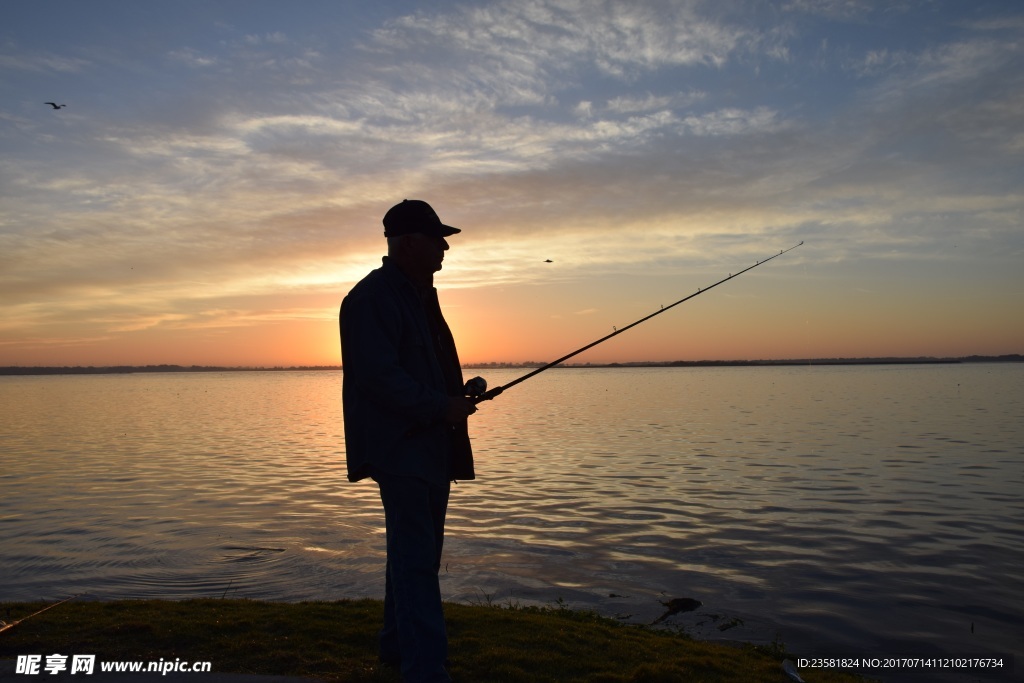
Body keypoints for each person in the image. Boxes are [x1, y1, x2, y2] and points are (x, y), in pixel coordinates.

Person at [339, 199, 477, 683]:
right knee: (417, 560)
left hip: (429, 447)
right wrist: (442, 407)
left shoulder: (418, 296)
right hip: (402, 449)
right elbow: (379, 377)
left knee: (411, 554)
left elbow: (414, 374)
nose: (444, 247)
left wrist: (453, 399)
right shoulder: (374, 299)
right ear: (410, 242)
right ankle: (425, 670)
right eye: (437, 238)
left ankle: (398, 650)